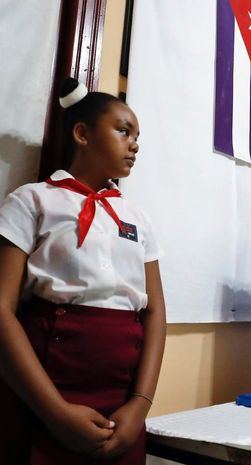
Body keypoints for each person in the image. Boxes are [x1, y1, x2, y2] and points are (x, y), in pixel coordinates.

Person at [0, 78, 166, 465]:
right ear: (82, 134)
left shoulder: (137, 216)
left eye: (137, 135)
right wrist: (54, 412)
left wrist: (139, 406)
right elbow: (2, 308)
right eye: (124, 131)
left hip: (122, 393)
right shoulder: (33, 200)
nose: (135, 143)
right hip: (42, 388)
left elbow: (155, 312)